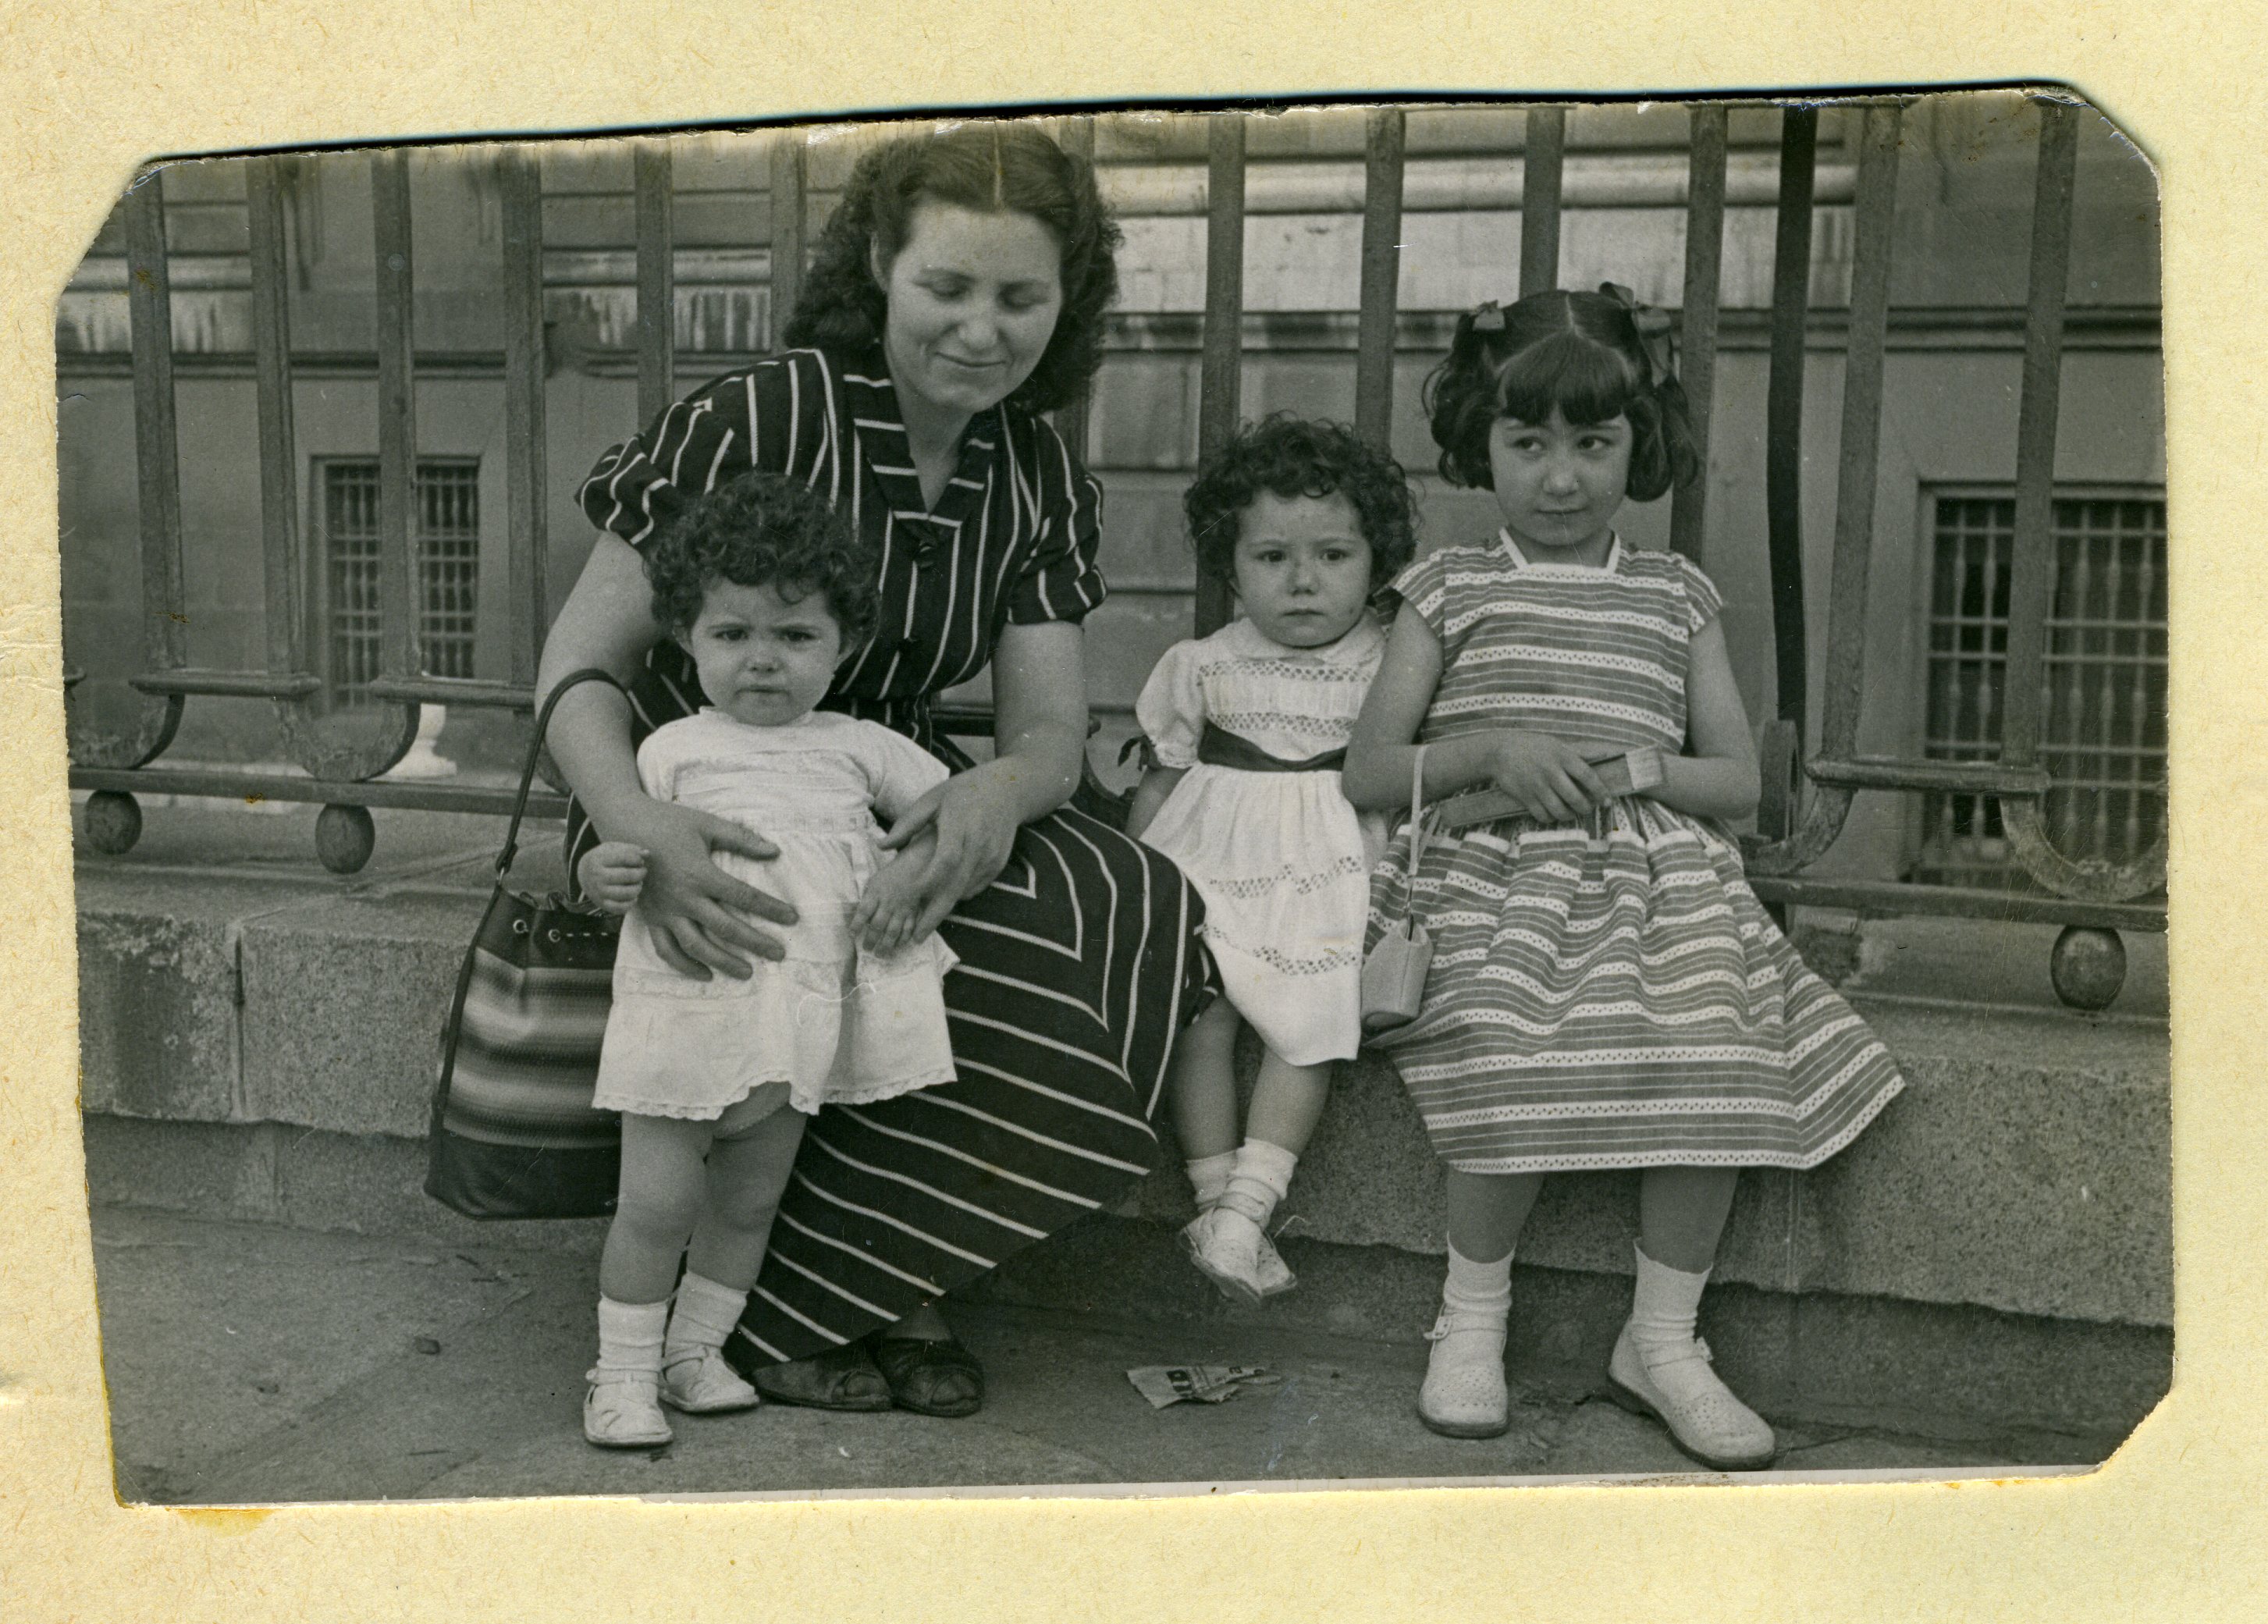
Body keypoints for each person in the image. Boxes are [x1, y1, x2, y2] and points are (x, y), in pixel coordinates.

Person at [538, 122, 1209, 1421]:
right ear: (878, 270)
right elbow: (576, 671)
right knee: (847, 950)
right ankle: (796, 1309)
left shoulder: (1036, 473)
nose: (981, 328)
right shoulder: (757, 415)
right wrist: (641, 823)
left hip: (888, 784)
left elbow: (1049, 736)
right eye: (944, 287)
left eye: (1021, 298)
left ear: (1064, 307)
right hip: (703, 801)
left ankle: (895, 1262)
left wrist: (991, 802)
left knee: (1129, 904)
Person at [1342, 285, 1907, 1468]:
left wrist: (1639, 765)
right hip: (1495, 877)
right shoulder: (1448, 592)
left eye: (1592, 445)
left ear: (1633, 446)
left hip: (1659, 882)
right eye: (1527, 442)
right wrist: (1489, 750)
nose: (1560, 478)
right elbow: (1369, 767)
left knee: (1713, 1036)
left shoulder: (1672, 595)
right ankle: (1470, 1318)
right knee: (1504, 1030)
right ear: (1479, 445)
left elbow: (1739, 784)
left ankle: (1662, 1338)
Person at [578, 473, 962, 1447]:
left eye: (795, 638)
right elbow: (598, 843)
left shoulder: (858, 748)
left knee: (749, 1201)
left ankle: (694, 1349)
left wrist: (904, 876)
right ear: (687, 639)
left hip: (799, 1017)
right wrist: (603, 871)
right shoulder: (668, 750)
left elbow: (941, 821)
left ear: (845, 646)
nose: (762, 661)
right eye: (732, 634)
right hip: (686, 1009)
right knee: (658, 1204)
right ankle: (618, 1373)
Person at [1125, 416, 1413, 1303]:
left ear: (1374, 562)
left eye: (1332, 556)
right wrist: (1135, 877)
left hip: (1328, 865)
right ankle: (1214, 1200)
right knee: (1196, 1015)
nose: (1300, 582)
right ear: (1230, 564)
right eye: (1269, 558)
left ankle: (1249, 1208)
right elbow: (1160, 782)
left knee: (1308, 1023)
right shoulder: (1201, 665)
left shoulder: (1388, 667)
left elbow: (1404, 782)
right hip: (1212, 858)